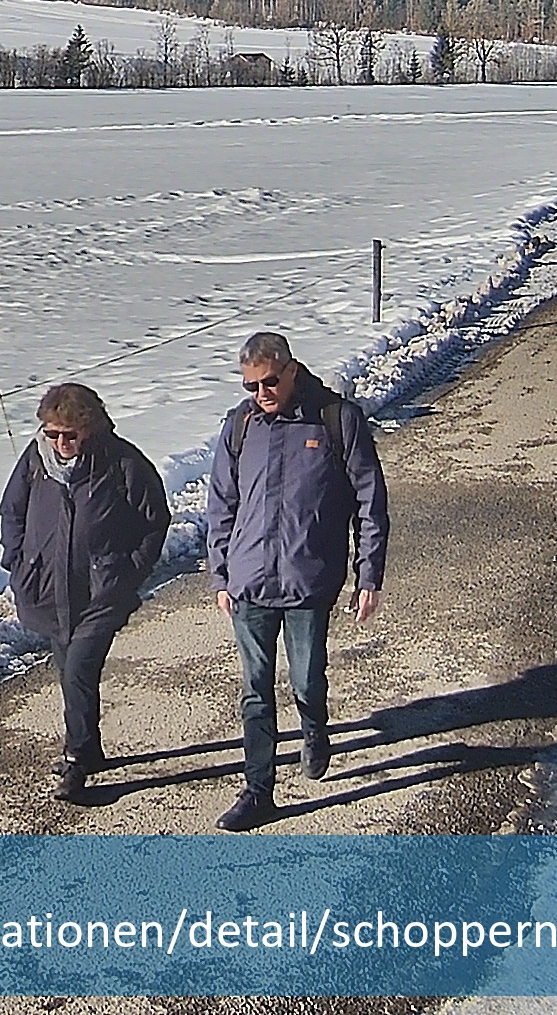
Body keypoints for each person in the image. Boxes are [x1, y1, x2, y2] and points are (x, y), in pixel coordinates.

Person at [200, 332, 387, 830]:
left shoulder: (335, 419)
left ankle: (313, 727)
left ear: (291, 369)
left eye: (269, 382)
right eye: (250, 385)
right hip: (250, 584)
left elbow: (369, 501)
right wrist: (220, 573)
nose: (260, 392)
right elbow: (221, 504)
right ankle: (258, 789)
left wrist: (369, 573)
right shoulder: (240, 426)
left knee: (306, 677)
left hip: (309, 580)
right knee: (255, 690)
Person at [0, 382, 168, 805]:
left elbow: (154, 519)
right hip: (48, 587)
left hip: (101, 592)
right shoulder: (36, 460)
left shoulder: (121, 461)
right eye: (52, 433)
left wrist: (129, 572)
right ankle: (90, 748)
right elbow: (12, 510)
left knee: (77, 668)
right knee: (71, 672)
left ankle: (75, 759)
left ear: (89, 428)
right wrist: (17, 562)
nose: (60, 442)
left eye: (69, 434)